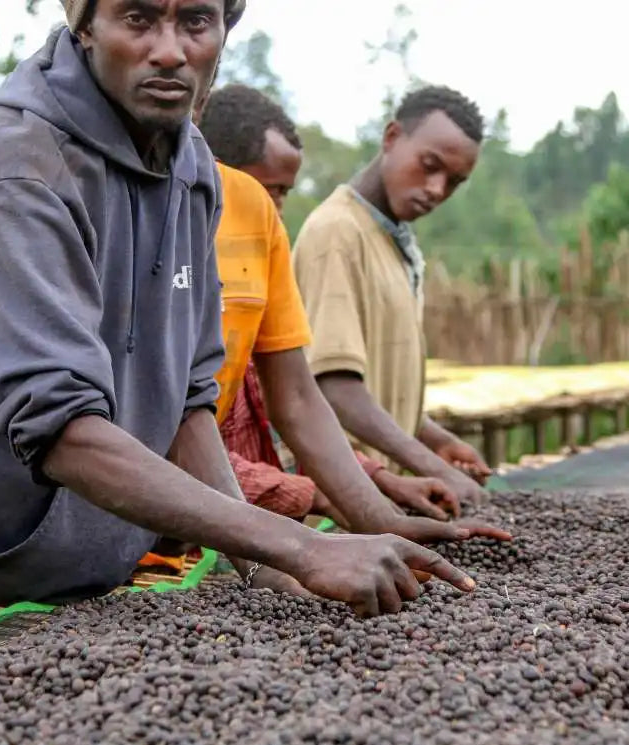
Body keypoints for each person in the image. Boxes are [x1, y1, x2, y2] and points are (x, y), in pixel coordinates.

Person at [0, 0, 480, 636]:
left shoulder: (191, 168)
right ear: (85, 25)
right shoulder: (15, 170)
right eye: (139, 18)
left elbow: (185, 404)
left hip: (85, 579)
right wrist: (301, 546)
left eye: (196, 21)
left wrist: (263, 565)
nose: (172, 50)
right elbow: (62, 429)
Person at [194, 83, 468, 525]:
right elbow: (181, 445)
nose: (275, 209)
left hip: (245, 524)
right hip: (188, 529)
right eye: (271, 190)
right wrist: (319, 496)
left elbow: (290, 405)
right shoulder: (333, 234)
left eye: (283, 193)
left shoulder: (259, 252)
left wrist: (383, 482)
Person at [292, 85, 494, 507]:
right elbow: (333, 387)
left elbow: (377, 386)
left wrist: (435, 439)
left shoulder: (391, 241)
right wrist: (433, 467)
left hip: (385, 504)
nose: (437, 189)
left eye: (454, 182)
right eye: (430, 166)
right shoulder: (337, 234)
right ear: (391, 137)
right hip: (338, 510)